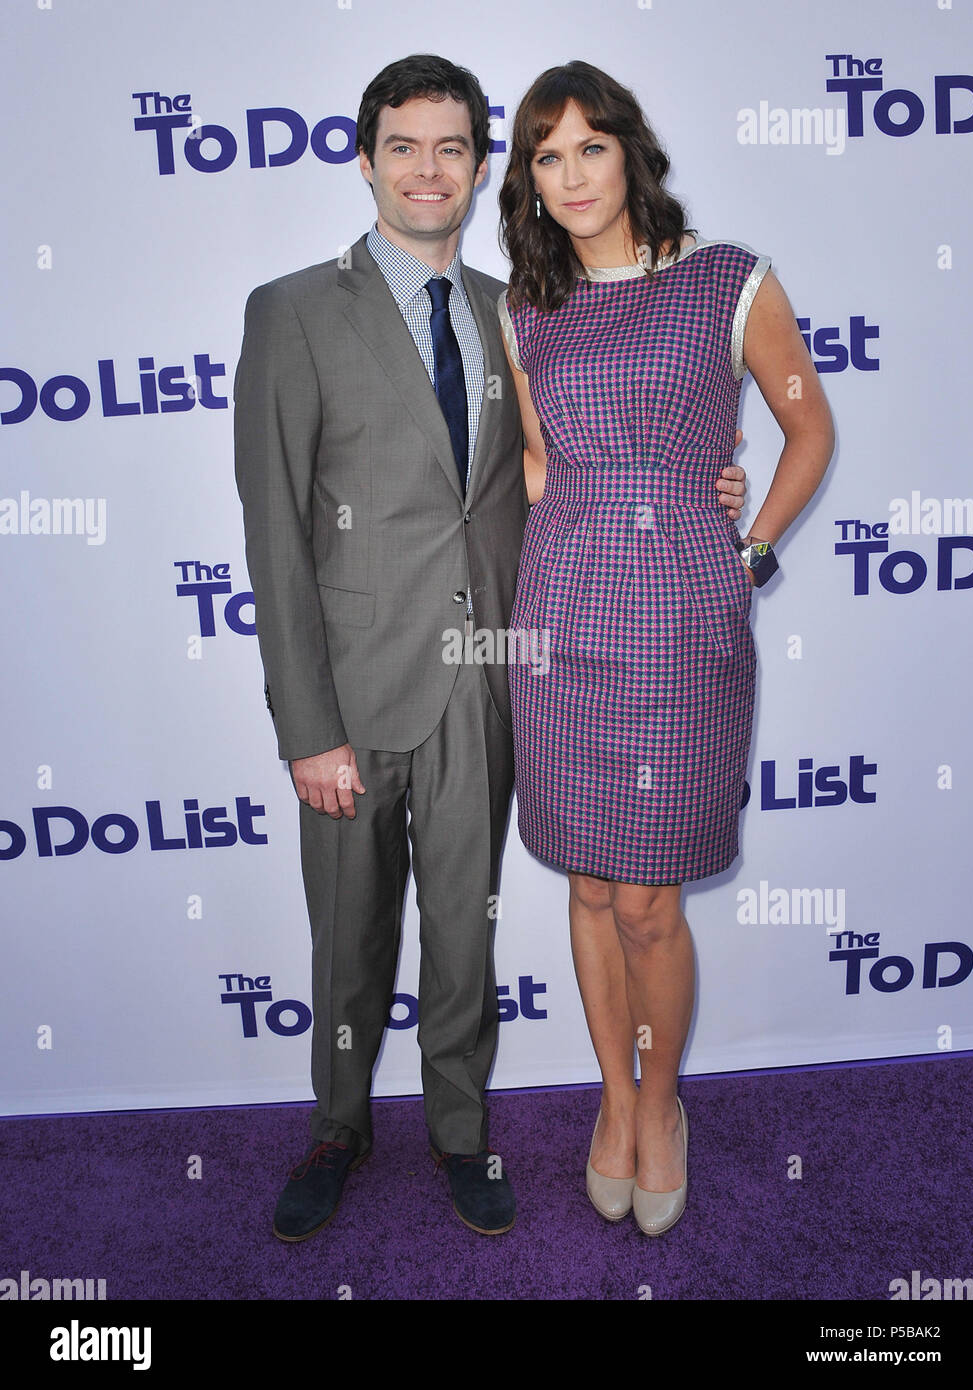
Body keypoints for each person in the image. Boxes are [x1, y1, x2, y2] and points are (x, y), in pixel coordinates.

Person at [233, 53, 748, 1243]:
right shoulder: (292, 310)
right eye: (403, 146)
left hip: (504, 676)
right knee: (350, 933)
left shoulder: (521, 307)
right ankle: (337, 1128)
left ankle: (461, 1132)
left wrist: (707, 482)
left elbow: (567, 469)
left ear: (479, 167)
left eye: (453, 146)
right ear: (365, 161)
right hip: (356, 697)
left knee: (466, 928)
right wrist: (306, 724)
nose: (429, 168)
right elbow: (273, 528)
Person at [497, 61, 834, 1236]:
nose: (570, 174)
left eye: (589, 147)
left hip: (684, 608)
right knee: (588, 883)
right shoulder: (523, 304)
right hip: (562, 608)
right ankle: (612, 1100)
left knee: (649, 899)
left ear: (630, 153)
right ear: (529, 183)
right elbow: (540, 465)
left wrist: (749, 547)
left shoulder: (728, 278)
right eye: (546, 155)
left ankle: (662, 1095)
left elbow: (805, 421)